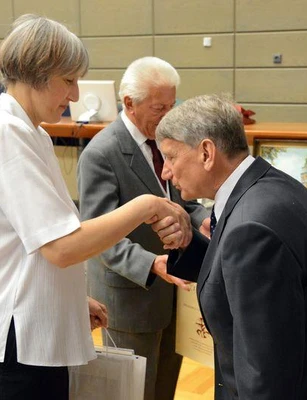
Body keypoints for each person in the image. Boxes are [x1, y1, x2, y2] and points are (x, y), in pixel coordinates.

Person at [0, 15, 191, 400]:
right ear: (38, 73)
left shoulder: (30, 130)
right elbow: (61, 247)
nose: (74, 95)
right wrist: (144, 206)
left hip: (39, 324)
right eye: (68, 80)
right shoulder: (9, 132)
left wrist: (70, 300)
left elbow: (29, 244)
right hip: (21, 338)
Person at [153, 94, 307, 399]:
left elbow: (265, 369)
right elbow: (237, 279)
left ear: (207, 152)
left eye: (171, 156)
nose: (166, 172)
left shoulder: (251, 228)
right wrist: (188, 244)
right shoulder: (272, 186)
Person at [77, 57, 209, 400]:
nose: (168, 115)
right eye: (158, 107)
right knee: (136, 392)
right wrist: (151, 263)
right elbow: (97, 235)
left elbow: (179, 200)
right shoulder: (101, 154)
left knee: (166, 386)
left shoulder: (167, 140)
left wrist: (200, 219)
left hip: (174, 291)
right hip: (130, 296)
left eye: (172, 105)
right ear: (129, 103)